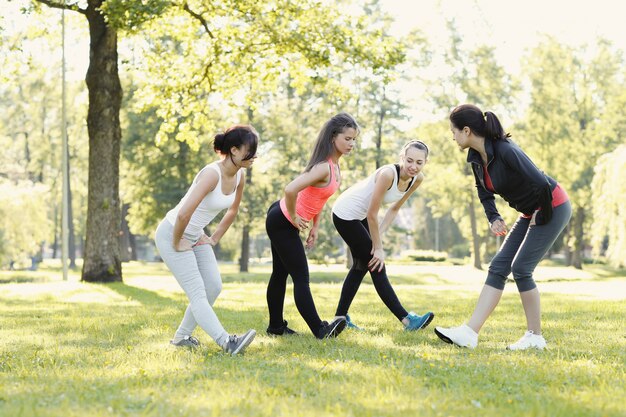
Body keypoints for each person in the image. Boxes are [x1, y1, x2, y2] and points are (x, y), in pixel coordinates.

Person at [434, 104, 572, 350]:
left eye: (453, 131)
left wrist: (541, 217)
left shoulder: (505, 150)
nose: (452, 136)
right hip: (531, 210)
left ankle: (535, 337)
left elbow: (540, 181)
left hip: (553, 204)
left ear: (466, 130)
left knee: (521, 268)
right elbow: (483, 192)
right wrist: (494, 217)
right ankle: (469, 333)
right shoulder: (476, 159)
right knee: (498, 267)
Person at [154, 125, 259, 355]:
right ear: (233, 150)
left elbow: (233, 210)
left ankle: (181, 337)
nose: (254, 156)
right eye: (250, 151)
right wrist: (177, 242)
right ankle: (227, 342)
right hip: (172, 232)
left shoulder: (240, 174)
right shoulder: (212, 174)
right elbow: (183, 213)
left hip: (195, 235)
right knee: (198, 293)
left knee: (213, 286)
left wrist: (214, 238)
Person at [265, 112, 359, 339]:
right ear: (333, 137)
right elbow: (290, 189)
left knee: (280, 274)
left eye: (354, 139)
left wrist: (315, 227)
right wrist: (296, 217)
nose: (351, 144)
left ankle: (276, 327)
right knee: (301, 277)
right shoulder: (323, 167)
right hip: (282, 221)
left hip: (285, 220)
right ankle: (320, 329)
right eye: (347, 139)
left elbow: (319, 199)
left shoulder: (335, 168)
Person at [331, 140, 435, 331]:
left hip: (360, 215)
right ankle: (407, 320)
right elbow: (372, 213)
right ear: (402, 157)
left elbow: (394, 209)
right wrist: (377, 247)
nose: (413, 166)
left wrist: (379, 237)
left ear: (425, 163)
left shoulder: (417, 179)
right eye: (409, 160)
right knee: (376, 264)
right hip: (345, 213)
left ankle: (340, 318)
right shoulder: (388, 174)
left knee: (361, 265)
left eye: (419, 163)